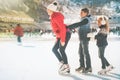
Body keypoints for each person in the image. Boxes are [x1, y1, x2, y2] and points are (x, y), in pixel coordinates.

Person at [46, 2, 71, 74]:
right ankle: (63, 63)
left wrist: (62, 40)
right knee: (54, 49)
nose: (47, 11)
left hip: (65, 34)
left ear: (51, 10)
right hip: (60, 35)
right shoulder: (53, 16)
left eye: (48, 9)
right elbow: (57, 29)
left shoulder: (56, 17)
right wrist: (57, 38)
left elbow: (62, 29)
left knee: (61, 50)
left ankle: (66, 67)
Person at [67, 8, 92, 73]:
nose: (80, 14)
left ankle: (89, 67)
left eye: (82, 12)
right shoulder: (83, 20)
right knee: (80, 52)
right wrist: (74, 29)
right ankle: (82, 66)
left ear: (86, 13)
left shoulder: (86, 20)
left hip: (85, 39)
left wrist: (69, 26)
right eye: (80, 12)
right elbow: (80, 27)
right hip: (82, 38)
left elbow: (78, 24)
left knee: (85, 53)